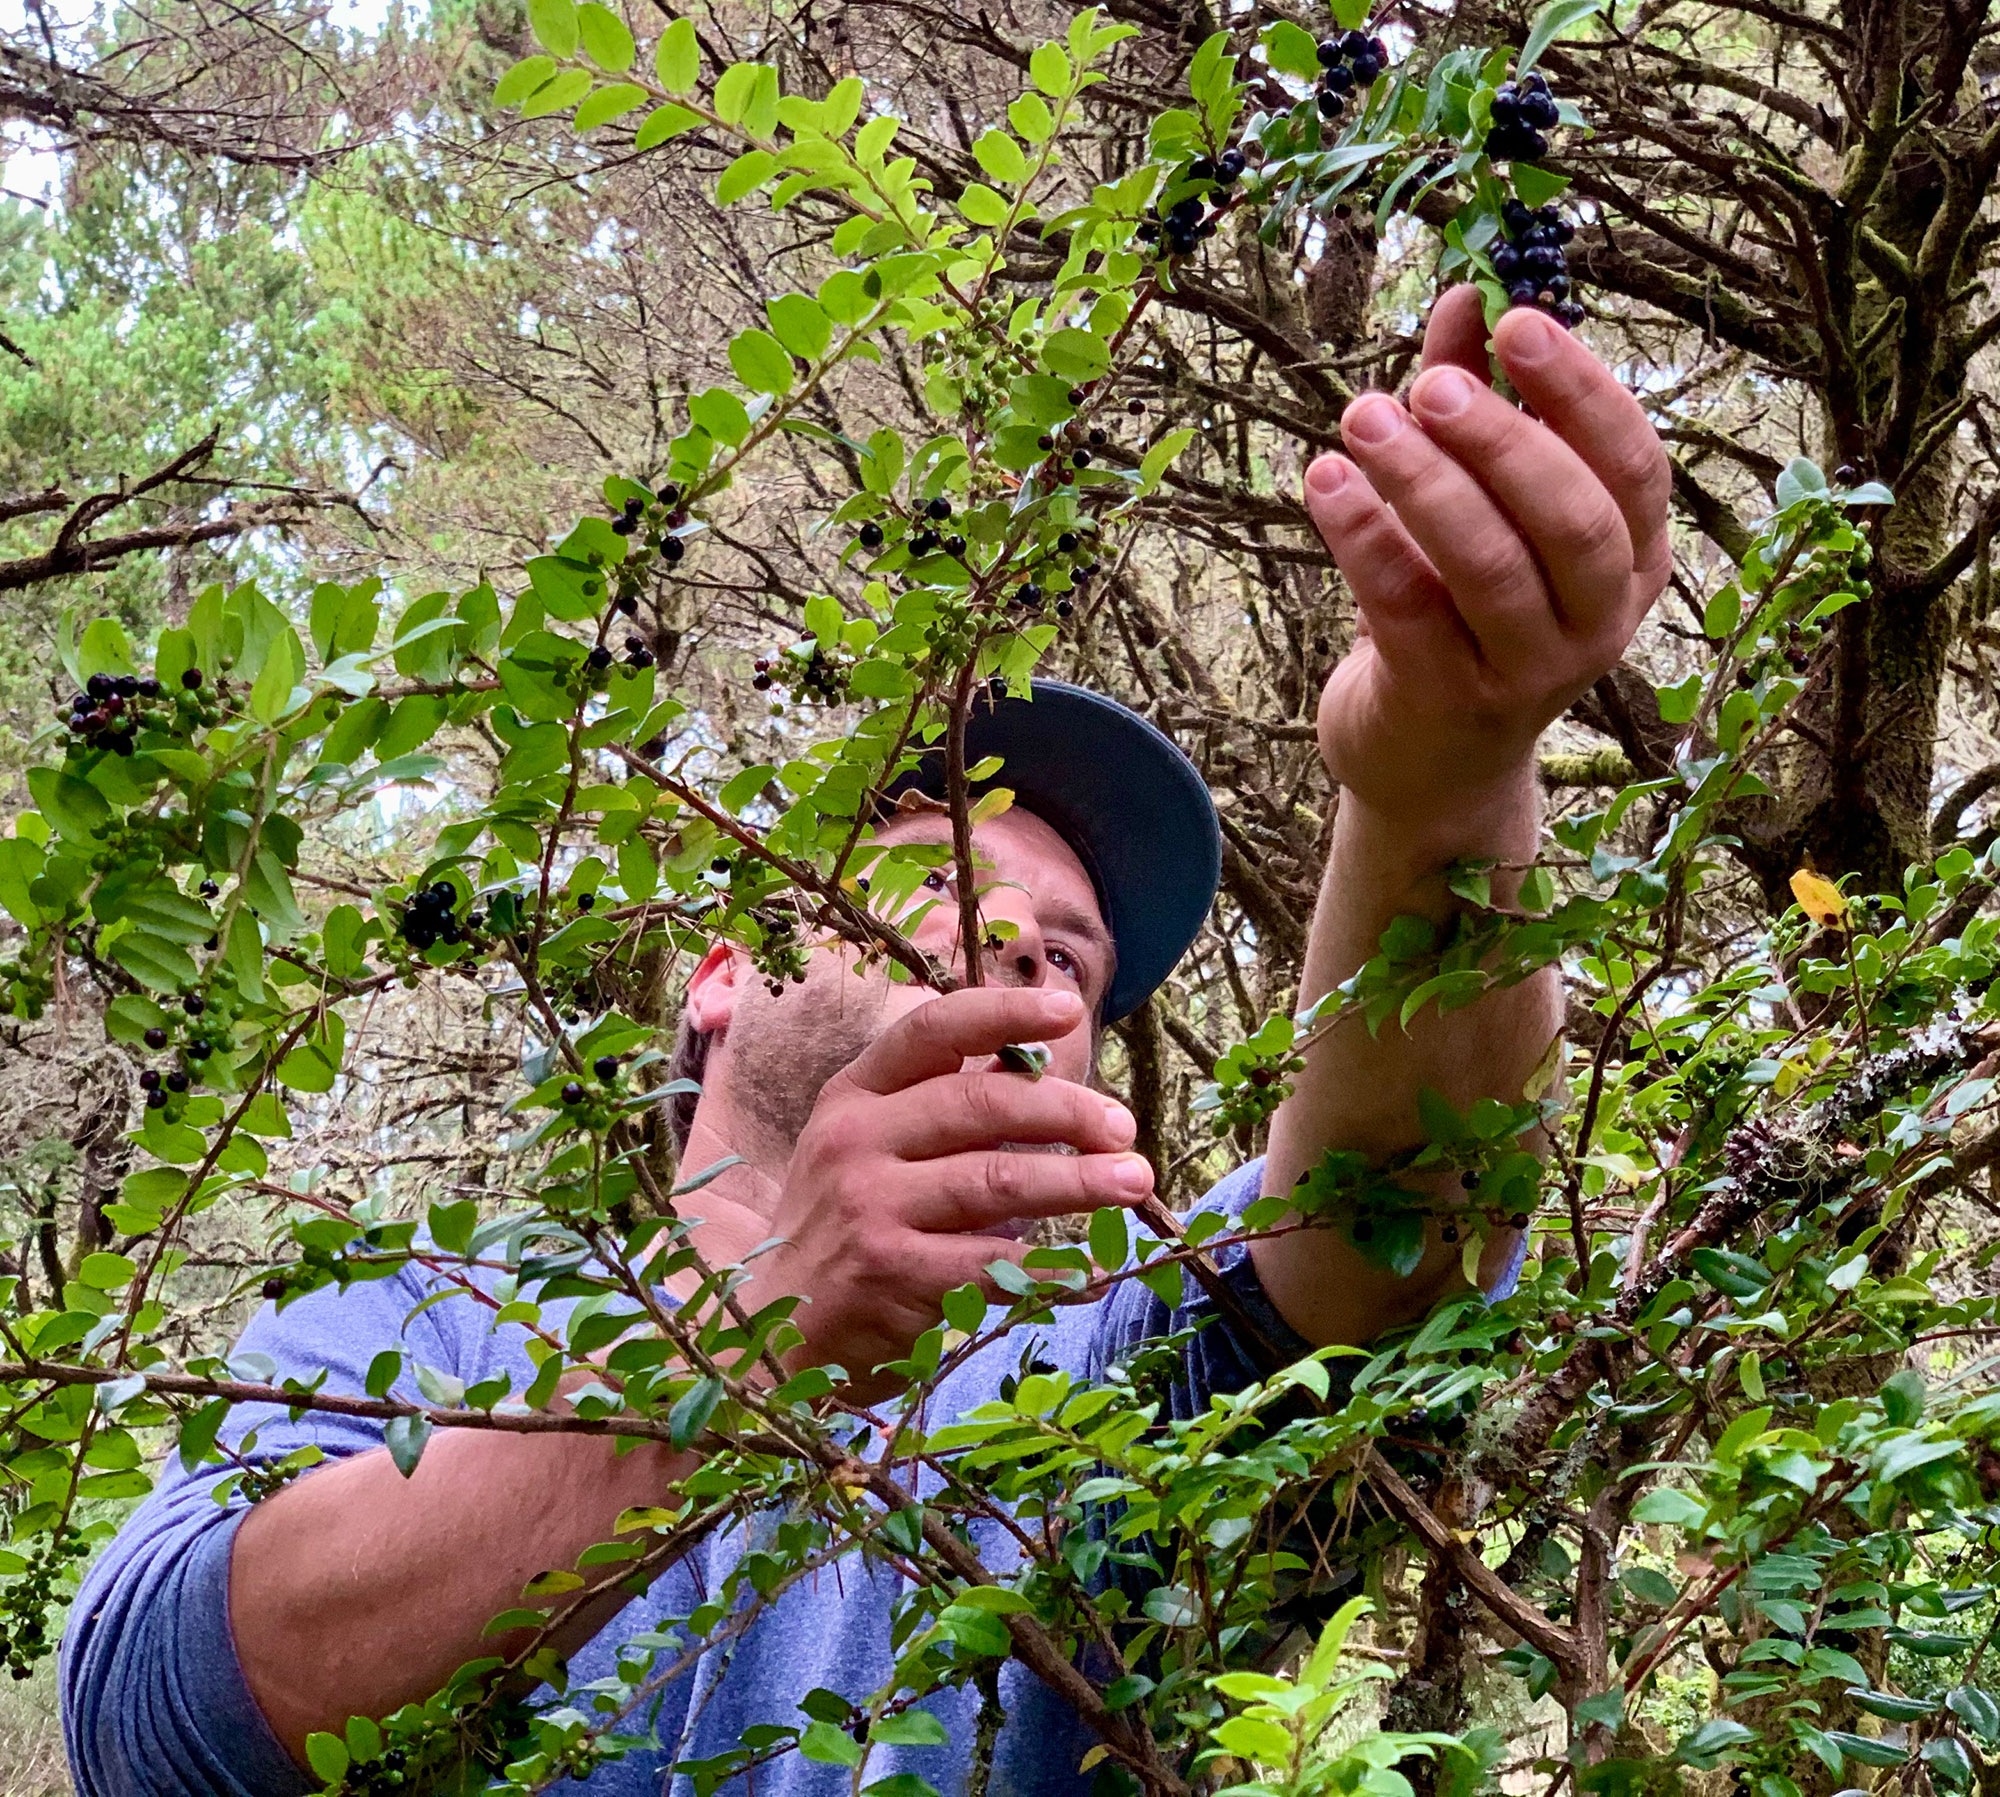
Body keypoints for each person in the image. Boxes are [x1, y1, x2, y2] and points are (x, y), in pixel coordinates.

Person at [61, 291, 1671, 1796]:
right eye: (934, 871)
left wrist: (1447, 773)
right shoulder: (434, 1309)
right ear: (717, 973)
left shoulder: (1081, 1402)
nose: (1025, 930)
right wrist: (752, 1346)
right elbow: (160, 1715)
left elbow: (1384, 1257)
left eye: (1079, 950)